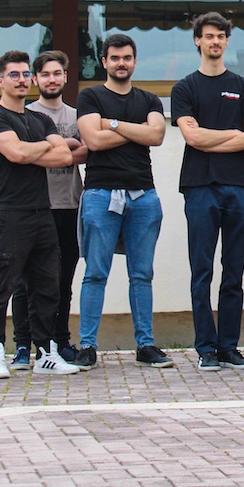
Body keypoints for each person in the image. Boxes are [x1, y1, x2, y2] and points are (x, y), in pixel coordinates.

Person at [0, 50, 79, 379]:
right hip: (8, 214)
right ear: (0, 81)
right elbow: (17, 153)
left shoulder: (40, 120)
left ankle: (46, 353)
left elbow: (64, 157)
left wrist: (31, 149)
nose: (21, 81)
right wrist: (41, 147)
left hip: (42, 212)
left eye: (24, 75)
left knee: (47, 286)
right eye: (14, 75)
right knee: (1, 286)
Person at [171, 13, 244, 373]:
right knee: (202, 270)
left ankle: (229, 347)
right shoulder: (185, 88)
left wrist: (213, 137)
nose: (215, 42)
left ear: (227, 41)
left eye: (220, 36)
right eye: (208, 36)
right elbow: (192, 138)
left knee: (234, 271)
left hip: (240, 187)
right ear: (198, 40)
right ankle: (205, 348)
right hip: (200, 187)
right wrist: (234, 136)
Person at [74, 33, 172, 370]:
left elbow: (156, 135)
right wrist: (135, 131)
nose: (121, 63)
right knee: (95, 273)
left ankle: (145, 345)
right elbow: (93, 141)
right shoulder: (90, 96)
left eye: (127, 57)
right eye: (114, 58)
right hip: (100, 195)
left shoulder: (149, 99)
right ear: (104, 62)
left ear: (135, 61)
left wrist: (112, 124)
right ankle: (87, 346)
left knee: (142, 274)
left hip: (143, 196)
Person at [8, 51, 88, 370]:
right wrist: (64, 147)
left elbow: (88, 152)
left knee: (62, 281)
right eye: (45, 74)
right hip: (36, 206)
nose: (51, 79)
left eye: (57, 73)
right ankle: (23, 345)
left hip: (70, 205)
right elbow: (21, 156)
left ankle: (59, 341)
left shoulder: (78, 115)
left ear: (65, 77)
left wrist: (50, 153)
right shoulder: (25, 115)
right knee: (25, 282)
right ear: (35, 79)